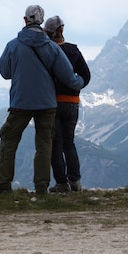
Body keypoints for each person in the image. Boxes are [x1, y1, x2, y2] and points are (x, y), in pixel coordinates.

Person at [0, 5, 86, 195]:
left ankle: (2, 185)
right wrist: (80, 82)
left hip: (21, 102)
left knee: (8, 139)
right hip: (47, 103)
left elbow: (5, 71)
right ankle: (41, 187)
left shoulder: (13, 45)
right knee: (44, 144)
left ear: (25, 20)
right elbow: (67, 76)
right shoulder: (50, 47)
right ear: (41, 22)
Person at [44, 15, 91, 193]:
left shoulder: (48, 51)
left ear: (48, 32)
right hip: (72, 103)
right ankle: (76, 182)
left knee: (56, 143)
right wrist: (75, 87)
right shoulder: (73, 51)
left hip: (53, 103)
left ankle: (61, 183)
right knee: (69, 142)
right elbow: (86, 76)